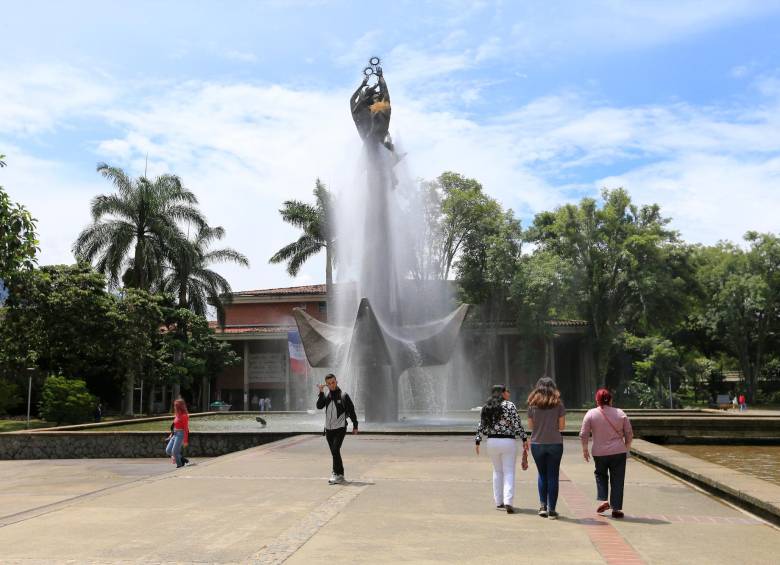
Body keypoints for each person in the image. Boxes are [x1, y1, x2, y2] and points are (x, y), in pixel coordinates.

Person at [580, 388, 633, 519]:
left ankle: (604, 500)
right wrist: (626, 447)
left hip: (599, 452)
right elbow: (629, 433)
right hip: (618, 452)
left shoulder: (591, 414)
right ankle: (616, 509)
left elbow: (583, 434)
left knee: (600, 475)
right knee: (618, 480)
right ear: (610, 399)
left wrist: (585, 449)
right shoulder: (620, 413)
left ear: (596, 400)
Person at [475, 385, 528, 514]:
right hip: (508, 441)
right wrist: (524, 439)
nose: (509, 393)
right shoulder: (510, 406)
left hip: (492, 442)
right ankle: (508, 501)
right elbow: (517, 424)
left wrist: (478, 440)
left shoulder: (487, 406)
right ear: (502, 393)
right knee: (509, 471)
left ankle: (499, 502)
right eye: (507, 391)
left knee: (497, 471)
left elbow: (481, 424)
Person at [527, 377, 566, 519]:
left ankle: (542, 506)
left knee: (542, 475)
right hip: (555, 443)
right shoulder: (558, 404)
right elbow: (562, 427)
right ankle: (552, 510)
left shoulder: (532, 404)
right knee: (553, 476)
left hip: (537, 444)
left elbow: (531, 427)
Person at [316, 374, 358, 484]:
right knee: (335, 452)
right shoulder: (326, 395)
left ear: (336, 381)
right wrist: (320, 392)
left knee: (335, 450)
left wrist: (355, 426)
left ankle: (335, 473)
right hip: (329, 429)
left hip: (340, 428)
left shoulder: (343, 396)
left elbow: (352, 411)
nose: (331, 385)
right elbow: (319, 406)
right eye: (329, 383)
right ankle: (340, 475)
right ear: (327, 384)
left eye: (333, 382)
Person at [165, 398, 189, 468]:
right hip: (175, 434)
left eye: (175, 406)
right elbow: (174, 426)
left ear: (179, 407)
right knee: (168, 450)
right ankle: (182, 459)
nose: (174, 407)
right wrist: (170, 435)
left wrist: (185, 440)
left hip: (180, 434)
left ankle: (180, 465)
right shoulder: (177, 415)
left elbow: (186, 429)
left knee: (174, 452)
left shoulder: (184, 416)